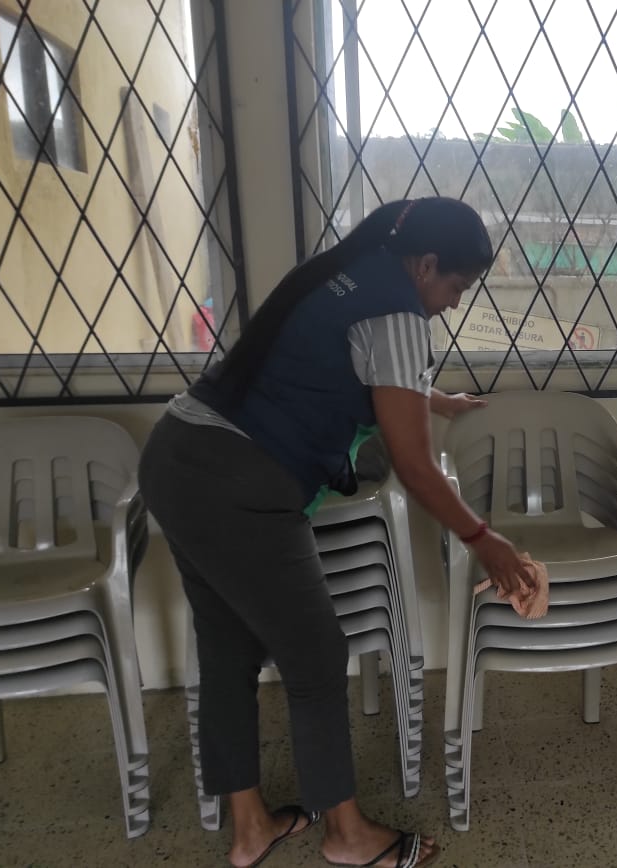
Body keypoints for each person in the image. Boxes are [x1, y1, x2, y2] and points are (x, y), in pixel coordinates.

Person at [138, 197, 536, 868]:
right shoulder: (399, 312)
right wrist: (483, 539)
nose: (452, 304)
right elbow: (414, 465)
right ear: (426, 265)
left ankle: (250, 829)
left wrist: (439, 400)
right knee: (317, 656)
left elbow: (336, 362)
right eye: (456, 287)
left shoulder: (343, 273)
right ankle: (348, 837)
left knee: (227, 647)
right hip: (239, 485)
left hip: (176, 456)